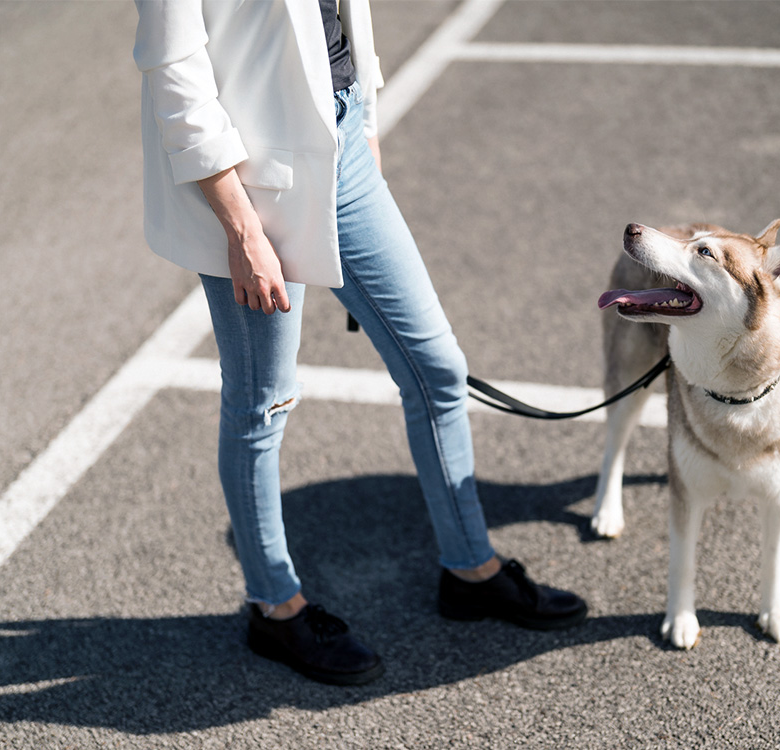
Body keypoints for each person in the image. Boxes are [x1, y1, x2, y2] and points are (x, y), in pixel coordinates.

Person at [133, 0, 586, 686]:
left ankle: (470, 569)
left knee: (436, 368)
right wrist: (241, 228)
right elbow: (175, 70)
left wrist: (365, 118)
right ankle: (275, 607)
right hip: (254, 182)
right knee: (263, 402)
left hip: (342, 141)